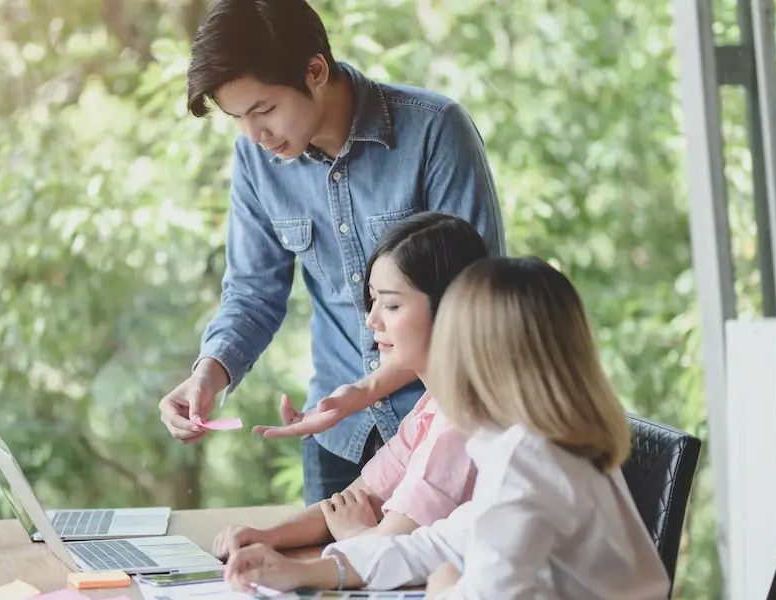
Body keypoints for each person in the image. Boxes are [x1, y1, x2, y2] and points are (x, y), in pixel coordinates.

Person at [159, 0, 506, 505]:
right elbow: (253, 292)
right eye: (238, 118)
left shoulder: (434, 131)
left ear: (315, 70)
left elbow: (475, 305)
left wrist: (368, 389)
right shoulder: (257, 160)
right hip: (337, 439)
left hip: (445, 429)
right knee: (325, 580)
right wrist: (207, 375)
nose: (255, 135)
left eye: (265, 110)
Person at [222, 257, 672, 599]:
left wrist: (445, 583)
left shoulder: (532, 460)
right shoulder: (527, 442)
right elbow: (439, 543)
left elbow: (458, 575)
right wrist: (302, 572)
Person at [212, 212, 489, 560]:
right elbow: (355, 501)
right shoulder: (433, 406)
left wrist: (354, 532)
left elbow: (389, 549)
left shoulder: (460, 424)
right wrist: (265, 537)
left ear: (451, 308)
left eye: (391, 304)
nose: (372, 320)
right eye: (372, 301)